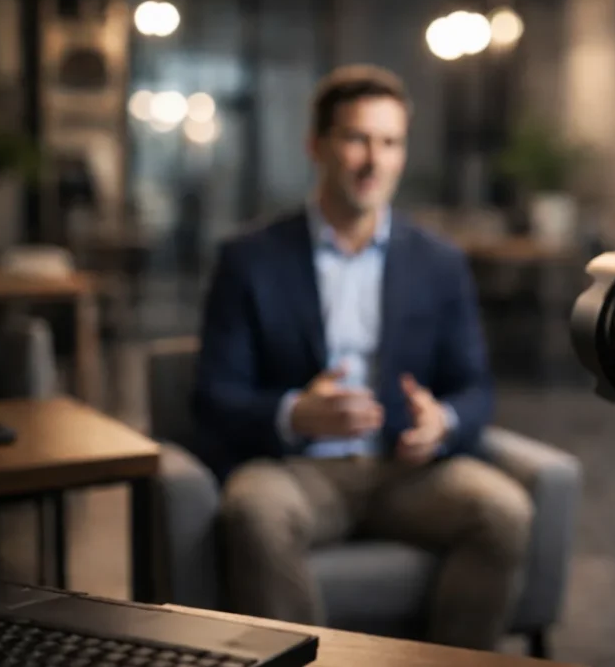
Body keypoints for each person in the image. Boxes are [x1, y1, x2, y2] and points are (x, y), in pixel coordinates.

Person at [190, 64, 533, 651]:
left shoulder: (439, 261)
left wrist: (441, 421)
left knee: (503, 510)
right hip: (298, 470)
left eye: (390, 142)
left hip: (405, 470)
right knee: (253, 510)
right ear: (316, 146)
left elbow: (475, 386)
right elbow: (213, 395)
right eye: (356, 139)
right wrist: (296, 413)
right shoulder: (249, 258)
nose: (374, 160)